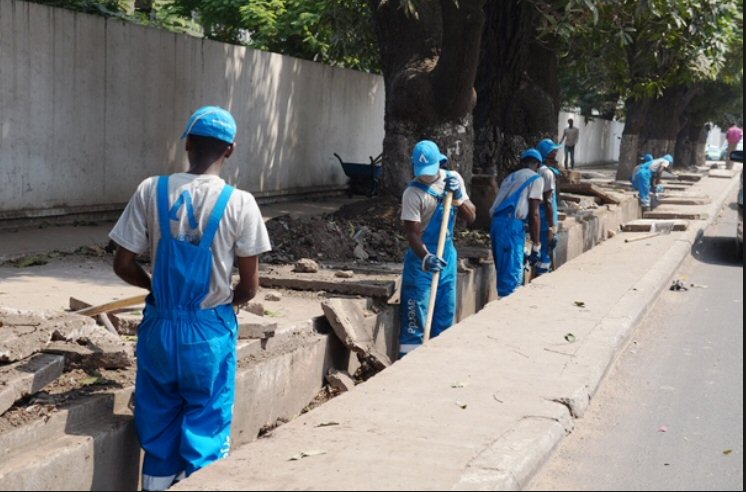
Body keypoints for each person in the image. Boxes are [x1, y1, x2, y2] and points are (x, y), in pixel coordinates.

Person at [109, 106, 272, 491]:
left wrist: (157, 290)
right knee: (206, 431)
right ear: (230, 150)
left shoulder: (151, 189)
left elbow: (122, 263)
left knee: (159, 432)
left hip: (159, 329)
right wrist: (219, 306)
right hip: (209, 331)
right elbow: (249, 287)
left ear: (188, 144)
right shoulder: (241, 203)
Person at [399, 140, 476, 357]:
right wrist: (425, 257)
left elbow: (471, 216)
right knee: (415, 322)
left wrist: (459, 197)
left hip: (447, 258)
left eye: (429, 171)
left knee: (445, 316)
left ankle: (439, 362)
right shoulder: (412, 194)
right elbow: (412, 233)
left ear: (439, 162)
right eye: (420, 171)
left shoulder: (453, 180)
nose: (424, 176)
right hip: (421, 260)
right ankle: (408, 367)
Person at [489, 148, 544, 297]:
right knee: (511, 278)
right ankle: (506, 311)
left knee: (505, 269)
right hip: (511, 226)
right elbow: (535, 213)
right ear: (538, 165)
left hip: (497, 225)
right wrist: (536, 244)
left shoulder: (510, 177)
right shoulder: (536, 179)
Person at [534, 138, 563, 277]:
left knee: (540, 248)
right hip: (546, 218)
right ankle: (543, 277)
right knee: (547, 249)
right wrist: (552, 226)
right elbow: (549, 200)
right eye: (554, 151)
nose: (556, 153)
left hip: (539, 216)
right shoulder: (548, 173)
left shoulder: (537, 170)